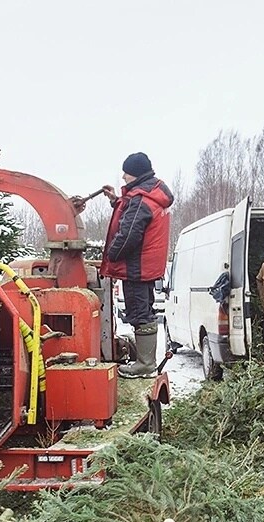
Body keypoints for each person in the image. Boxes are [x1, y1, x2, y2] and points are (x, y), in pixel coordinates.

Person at [100, 152, 174, 379]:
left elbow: (129, 234)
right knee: (144, 310)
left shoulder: (141, 200)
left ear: (136, 173)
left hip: (136, 267)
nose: (123, 177)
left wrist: (112, 254)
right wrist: (115, 201)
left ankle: (145, 364)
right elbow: (131, 213)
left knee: (139, 312)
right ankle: (146, 361)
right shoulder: (150, 195)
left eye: (126, 173)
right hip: (145, 267)